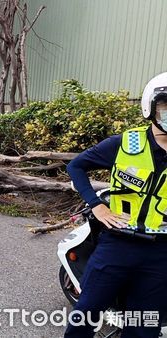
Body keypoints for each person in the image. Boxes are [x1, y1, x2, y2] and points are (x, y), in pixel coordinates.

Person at [65, 72, 167, 337]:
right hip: (117, 243)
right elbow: (76, 166)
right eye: (166, 106)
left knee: (144, 329)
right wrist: (96, 205)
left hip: (161, 253)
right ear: (151, 107)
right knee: (85, 315)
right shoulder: (127, 143)